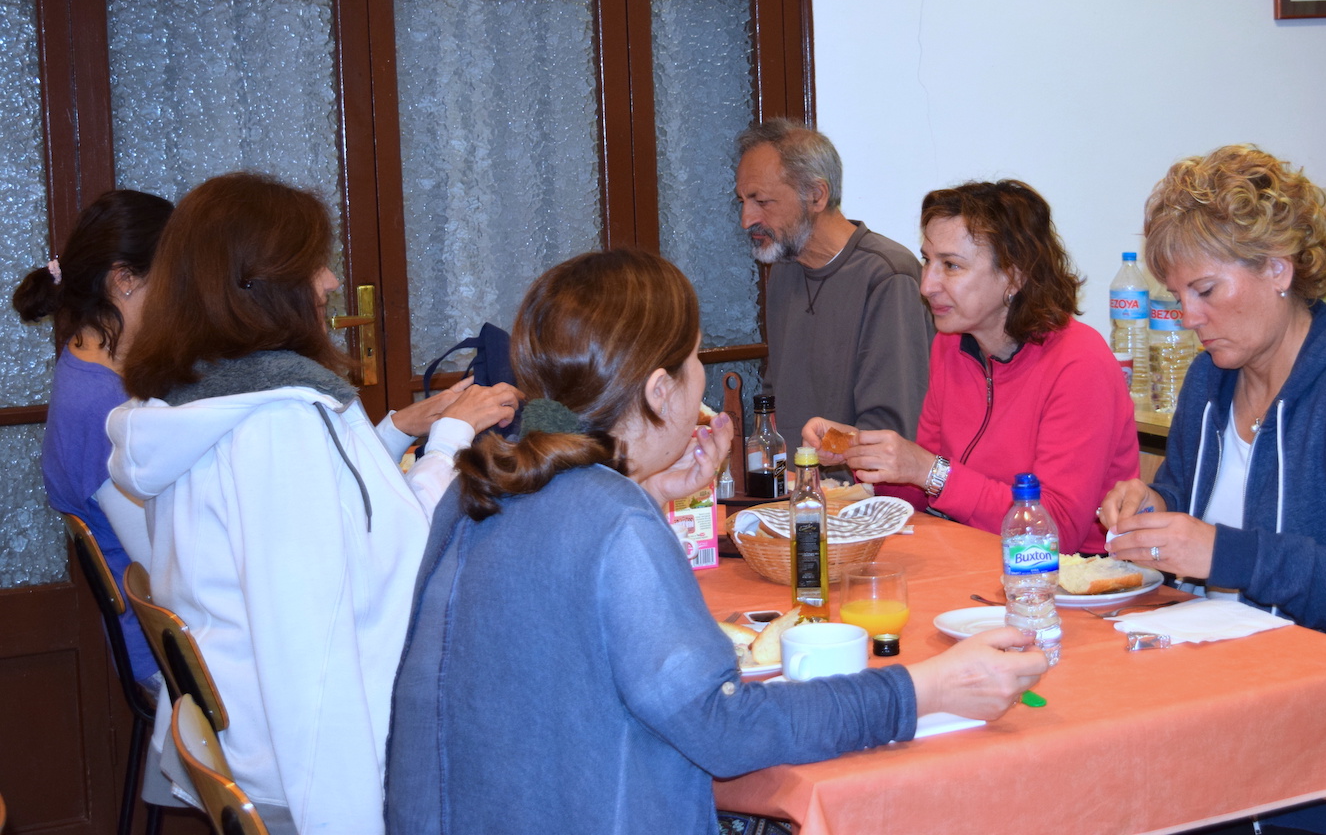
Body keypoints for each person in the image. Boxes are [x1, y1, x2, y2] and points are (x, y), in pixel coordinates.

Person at [384, 248, 1048, 835]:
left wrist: (647, 489)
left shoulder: (480, 485)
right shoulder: (613, 520)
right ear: (659, 390)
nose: (701, 375)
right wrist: (926, 689)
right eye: (694, 359)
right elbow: (726, 728)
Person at [107, 172, 521, 835]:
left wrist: (405, 430)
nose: (329, 284)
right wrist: (451, 439)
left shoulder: (200, 396)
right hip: (301, 771)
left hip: (246, 734)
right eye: (315, 266)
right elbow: (373, 579)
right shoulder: (279, 424)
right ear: (261, 286)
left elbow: (344, 519)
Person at [1100, 145, 1326, 835]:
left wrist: (1228, 555)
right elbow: (1184, 494)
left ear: (1278, 269)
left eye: (1206, 291)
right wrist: (1153, 510)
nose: (1189, 317)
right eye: (1178, 296)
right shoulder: (1211, 380)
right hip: (1217, 696)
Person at [805, 180, 1137, 554]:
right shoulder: (950, 345)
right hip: (973, 555)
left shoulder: (1079, 362)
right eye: (927, 261)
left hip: (1068, 576)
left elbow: (1055, 529)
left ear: (1014, 275)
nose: (927, 285)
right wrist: (862, 452)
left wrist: (929, 470)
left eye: (951, 265)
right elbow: (921, 495)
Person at [11, 189, 173, 691]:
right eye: (174, 276)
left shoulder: (84, 360)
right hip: (165, 645)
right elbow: (165, 567)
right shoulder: (103, 409)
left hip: (156, 626)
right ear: (124, 280)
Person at [734, 121, 932, 446]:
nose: (747, 219)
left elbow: (890, 429)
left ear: (816, 195)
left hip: (856, 479)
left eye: (762, 202)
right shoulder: (784, 270)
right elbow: (776, 399)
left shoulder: (887, 276)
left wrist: (815, 467)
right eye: (742, 201)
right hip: (793, 477)